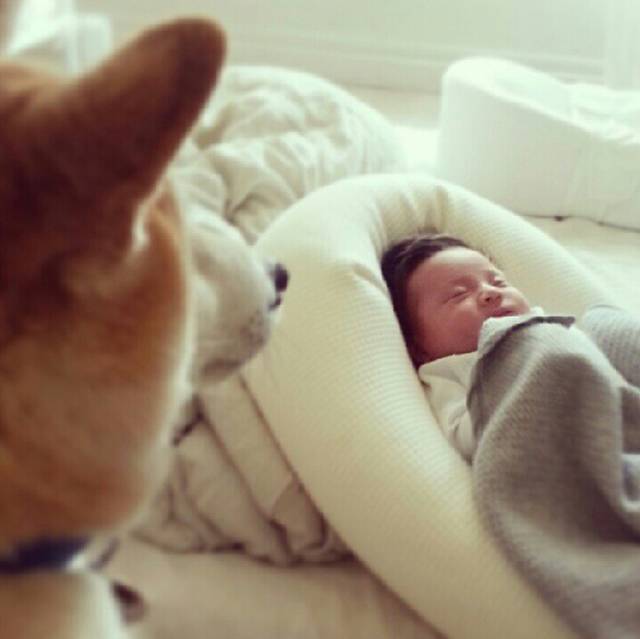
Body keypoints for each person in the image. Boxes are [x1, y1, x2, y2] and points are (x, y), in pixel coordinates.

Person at [381, 233, 537, 461]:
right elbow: (462, 437)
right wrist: (512, 379)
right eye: (459, 295)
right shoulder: (446, 373)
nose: (491, 293)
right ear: (418, 347)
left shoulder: (545, 323)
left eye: (498, 282)